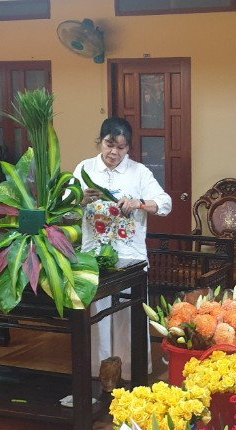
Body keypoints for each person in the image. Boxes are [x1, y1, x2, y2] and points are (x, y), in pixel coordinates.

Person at [73, 116, 171, 382]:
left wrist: (139, 203)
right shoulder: (85, 168)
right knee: (98, 317)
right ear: (100, 141)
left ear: (128, 147)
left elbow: (165, 203)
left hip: (130, 259)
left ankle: (131, 372)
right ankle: (99, 373)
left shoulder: (139, 172)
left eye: (121, 147)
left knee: (130, 316)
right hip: (95, 257)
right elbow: (64, 208)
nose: (114, 152)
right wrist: (80, 200)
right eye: (109, 144)